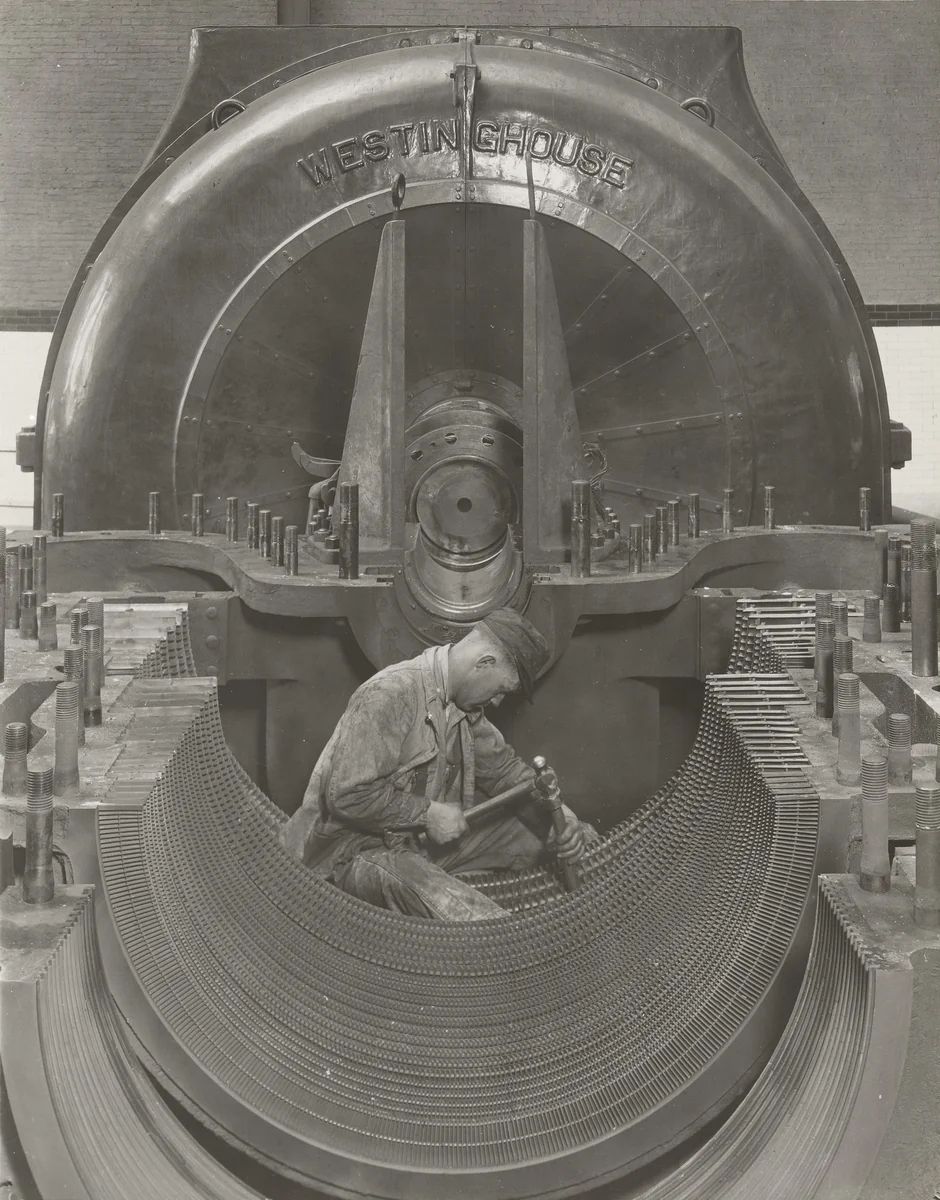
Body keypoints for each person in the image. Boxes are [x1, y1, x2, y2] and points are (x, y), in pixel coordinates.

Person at [280, 607, 597, 920]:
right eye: (502, 689)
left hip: (416, 846)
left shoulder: (463, 709)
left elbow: (506, 775)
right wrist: (428, 813)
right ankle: (512, 947)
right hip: (353, 855)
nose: (498, 701)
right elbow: (348, 796)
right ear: (484, 663)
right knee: (476, 919)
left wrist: (559, 818)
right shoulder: (390, 693)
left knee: (560, 839)